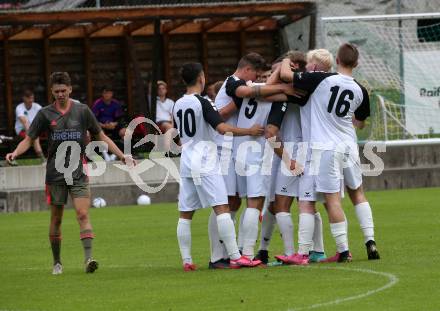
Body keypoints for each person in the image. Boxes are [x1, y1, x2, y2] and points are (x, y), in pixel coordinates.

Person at [6, 72, 134, 275]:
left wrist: (122, 156)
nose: (60, 95)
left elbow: (100, 135)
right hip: (55, 174)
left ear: (70, 90)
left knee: (82, 214)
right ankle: (57, 262)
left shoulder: (82, 111)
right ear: (51, 92)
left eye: (63, 91)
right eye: (56, 91)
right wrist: (15, 152)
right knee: (56, 220)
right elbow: (29, 139)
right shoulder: (45, 114)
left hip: (78, 172)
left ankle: (88, 259)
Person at [278, 44, 371, 264]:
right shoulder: (360, 89)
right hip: (348, 145)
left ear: (337, 59)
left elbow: (284, 77)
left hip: (322, 149)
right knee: (357, 193)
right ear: (356, 63)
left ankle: (334, 251)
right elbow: (359, 123)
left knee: (317, 200)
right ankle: (370, 240)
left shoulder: (319, 80)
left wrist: (287, 58)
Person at [173, 62, 263, 271]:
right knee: (222, 207)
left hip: (186, 161)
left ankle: (187, 260)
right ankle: (235, 256)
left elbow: (177, 137)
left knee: (185, 213)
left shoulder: (177, 103)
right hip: (205, 160)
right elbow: (222, 128)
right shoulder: (203, 102)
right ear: (201, 78)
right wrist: (249, 130)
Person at [208, 53, 295, 267]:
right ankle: (245, 253)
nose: (260, 78)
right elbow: (271, 133)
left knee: (231, 203)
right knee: (253, 203)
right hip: (251, 152)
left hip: (236, 150)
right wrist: (288, 160)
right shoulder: (266, 95)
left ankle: (229, 253)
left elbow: (257, 89)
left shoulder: (251, 91)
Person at [92, 86, 126, 161]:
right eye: (105, 93)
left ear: (112, 94)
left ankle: (115, 155)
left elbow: (120, 118)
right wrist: (103, 125)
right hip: (101, 126)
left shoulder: (116, 104)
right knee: (99, 132)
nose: (107, 95)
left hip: (113, 126)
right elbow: (93, 119)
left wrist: (114, 124)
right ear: (102, 94)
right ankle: (105, 155)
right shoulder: (97, 103)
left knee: (125, 132)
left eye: (109, 93)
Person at [14, 89, 45, 162]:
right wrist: (32, 133)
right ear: (24, 98)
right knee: (34, 137)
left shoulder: (37, 106)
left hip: (35, 129)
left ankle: (12, 157)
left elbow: (44, 118)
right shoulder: (19, 107)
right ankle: (42, 159)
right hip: (22, 130)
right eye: (29, 98)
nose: (31, 100)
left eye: (32, 98)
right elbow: (25, 122)